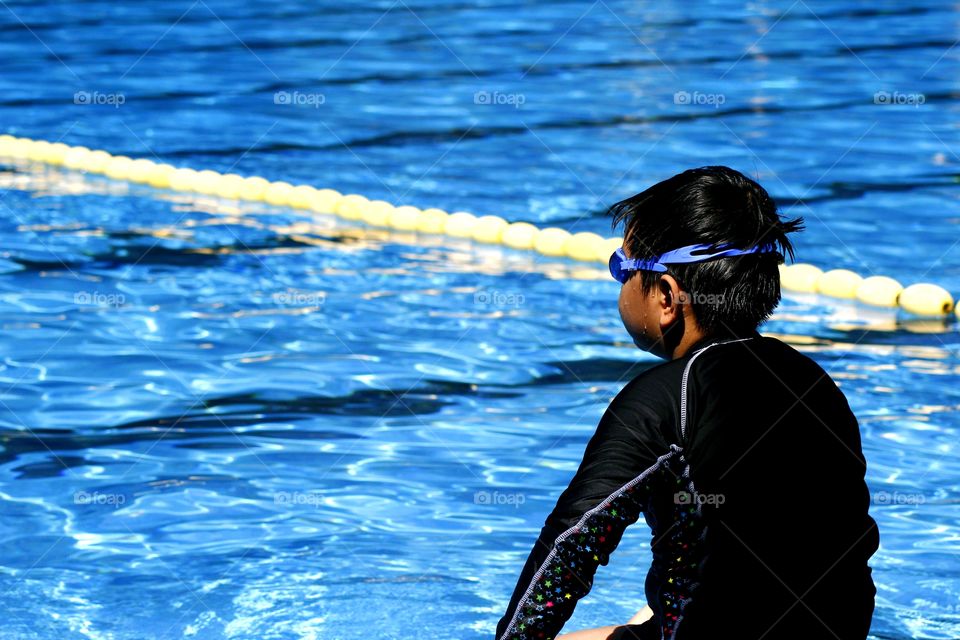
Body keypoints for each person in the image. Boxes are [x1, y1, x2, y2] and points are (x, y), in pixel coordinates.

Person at [493, 166, 879, 640]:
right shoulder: (815, 383)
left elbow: (572, 544)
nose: (619, 284)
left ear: (668, 297)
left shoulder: (666, 396)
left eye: (623, 270)